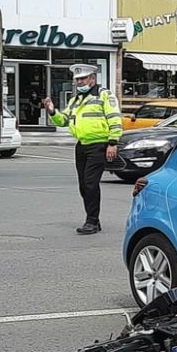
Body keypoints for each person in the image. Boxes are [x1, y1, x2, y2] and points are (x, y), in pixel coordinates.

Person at [43, 64, 123, 235]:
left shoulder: (104, 95)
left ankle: (92, 222)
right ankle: (94, 219)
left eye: (83, 79)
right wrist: (51, 111)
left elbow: (114, 117)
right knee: (83, 185)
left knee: (90, 183)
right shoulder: (75, 100)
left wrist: (113, 142)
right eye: (77, 80)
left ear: (92, 79)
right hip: (82, 145)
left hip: (99, 144)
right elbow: (63, 120)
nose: (79, 82)